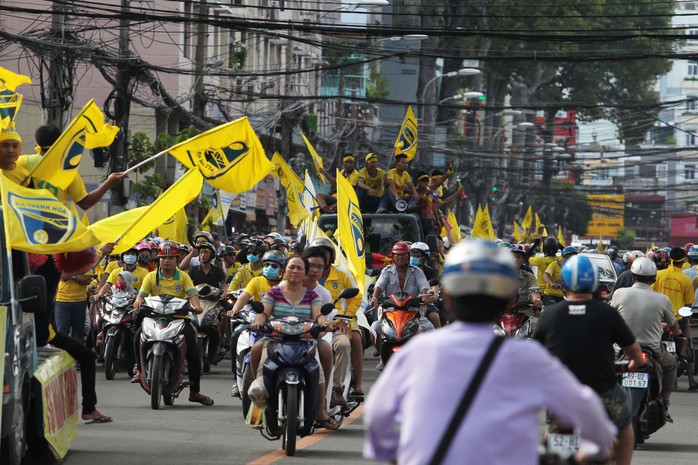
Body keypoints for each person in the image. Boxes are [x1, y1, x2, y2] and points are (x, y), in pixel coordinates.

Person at [364, 240, 616, 465]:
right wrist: (589, 452)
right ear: (507, 299)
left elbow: (377, 414)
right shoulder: (530, 358)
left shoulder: (418, 351)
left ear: (448, 298)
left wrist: (397, 455)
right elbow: (589, 413)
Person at [533, 254, 647, 465]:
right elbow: (634, 351)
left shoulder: (549, 315)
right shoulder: (607, 313)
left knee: (553, 428)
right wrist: (636, 363)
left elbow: (534, 355)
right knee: (625, 427)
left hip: (561, 395)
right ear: (595, 284)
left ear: (564, 284)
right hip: (602, 390)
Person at [249, 255, 338, 429]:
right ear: (284, 270)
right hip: (275, 339)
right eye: (291, 267)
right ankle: (258, 410)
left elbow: (318, 315)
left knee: (317, 372)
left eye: (299, 268)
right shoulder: (274, 292)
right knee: (257, 355)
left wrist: (324, 323)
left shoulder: (312, 295)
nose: (295, 271)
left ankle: (320, 411)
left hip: (305, 341)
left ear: (305, 273)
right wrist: (259, 321)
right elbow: (264, 312)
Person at [132, 241, 214, 406]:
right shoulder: (151, 276)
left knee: (194, 354)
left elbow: (192, 296)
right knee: (136, 337)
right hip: (154, 318)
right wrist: (138, 302)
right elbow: (141, 295)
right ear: (159, 260)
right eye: (163, 258)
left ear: (177, 260)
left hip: (179, 320)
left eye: (170, 258)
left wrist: (197, 306)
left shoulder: (183, 277)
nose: (166, 261)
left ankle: (195, 392)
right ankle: (138, 370)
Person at [611, 258, 685, 402]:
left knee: (606, 366)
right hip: (653, 350)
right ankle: (664, 401)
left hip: (622, 349)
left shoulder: (619, 293)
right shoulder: (662, 299)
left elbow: (610, 317)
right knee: (671, 365)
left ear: (633, 277)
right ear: (653, 279)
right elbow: (674, 324)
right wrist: (677, 333)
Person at [310, 237, 366, 398]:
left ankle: (349, 385)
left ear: (331, 256)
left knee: (353, 339)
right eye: (317, 254)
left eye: (324, 254)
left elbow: (356, 296)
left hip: (339, 320)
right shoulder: (303, 275)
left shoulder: (342, 274)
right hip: (308, 324)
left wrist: (345, 318)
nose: (321, 257)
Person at [370, 241, 437, 369]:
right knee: (374, 329)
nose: (400, 258)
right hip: (390, 312)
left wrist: (426, 297)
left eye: (403, 255)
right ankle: (382, 356)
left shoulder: (417, 272)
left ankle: (429, 360)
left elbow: (423, 287)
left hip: (412, 312)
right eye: (397, 255)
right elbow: (379, 286)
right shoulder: (387, 271)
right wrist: (374, 298)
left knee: (430, 330)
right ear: (393, 256)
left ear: (408, 256)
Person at [652, 246, 696, 383]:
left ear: (670, 259)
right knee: (687, 325)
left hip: (658, 318)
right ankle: (682, 351)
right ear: (683, 261)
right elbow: (688, 304)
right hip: (677, 320)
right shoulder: (686, 280)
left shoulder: (659, 275)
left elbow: (651, 294)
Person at [409, 242, 442, 329]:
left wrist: (426, 299)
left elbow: (435, 293)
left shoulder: (430, 272)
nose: (413, 258)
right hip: (404, 303)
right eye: (411, 255)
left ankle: (439, 340)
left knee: (434, 316)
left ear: (425, 258)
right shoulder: (403, 270)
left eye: (417, 256)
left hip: (423, 303)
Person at [527, 236, 561, 303]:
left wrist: (535, 244)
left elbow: (526, 256)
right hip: (558, 292)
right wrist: (559, 245)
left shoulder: (539, 260)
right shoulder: (560, 260)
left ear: (544, 248)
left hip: (542, 293)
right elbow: (569, 254)